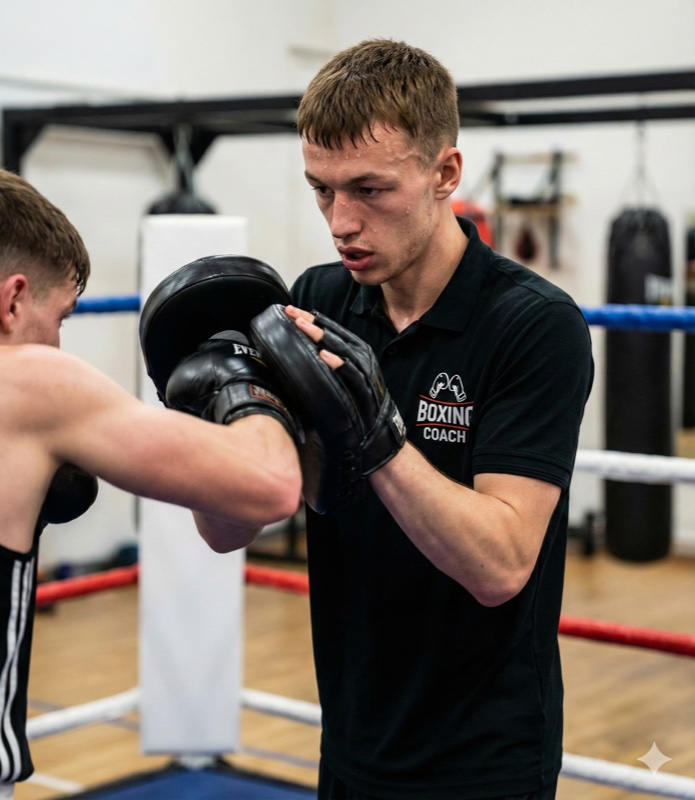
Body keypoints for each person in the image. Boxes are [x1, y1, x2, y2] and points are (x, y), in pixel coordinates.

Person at [286, 39, 593, 799]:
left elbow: (500, 566)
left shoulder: (532, 325)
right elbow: (234, 526)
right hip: (351, 735)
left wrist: (376, 430)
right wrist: (213, 407)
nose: (341, 222)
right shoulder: (318, 299)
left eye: (369, 189)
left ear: (444, 173)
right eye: (322, 190)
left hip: (483, 757)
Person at [0, 168, 302, 798]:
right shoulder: (31, 382)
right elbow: (272, 484)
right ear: (13, 300)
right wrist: (244, 383)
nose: (56, 342)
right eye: (60, 318)